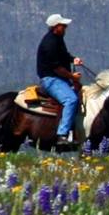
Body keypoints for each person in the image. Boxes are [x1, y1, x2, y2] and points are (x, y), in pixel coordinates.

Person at [35, 13, 84, 149]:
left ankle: (74, 131)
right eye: (63, 26)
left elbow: (63, 55)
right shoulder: (49, 43)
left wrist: (73, 59)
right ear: (56, 27)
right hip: (51, 79)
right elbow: (56, 68)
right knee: (71, 100)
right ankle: (62, 135)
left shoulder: (58, 39)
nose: (65, 28)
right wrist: (72, 77)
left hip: (59, 78)